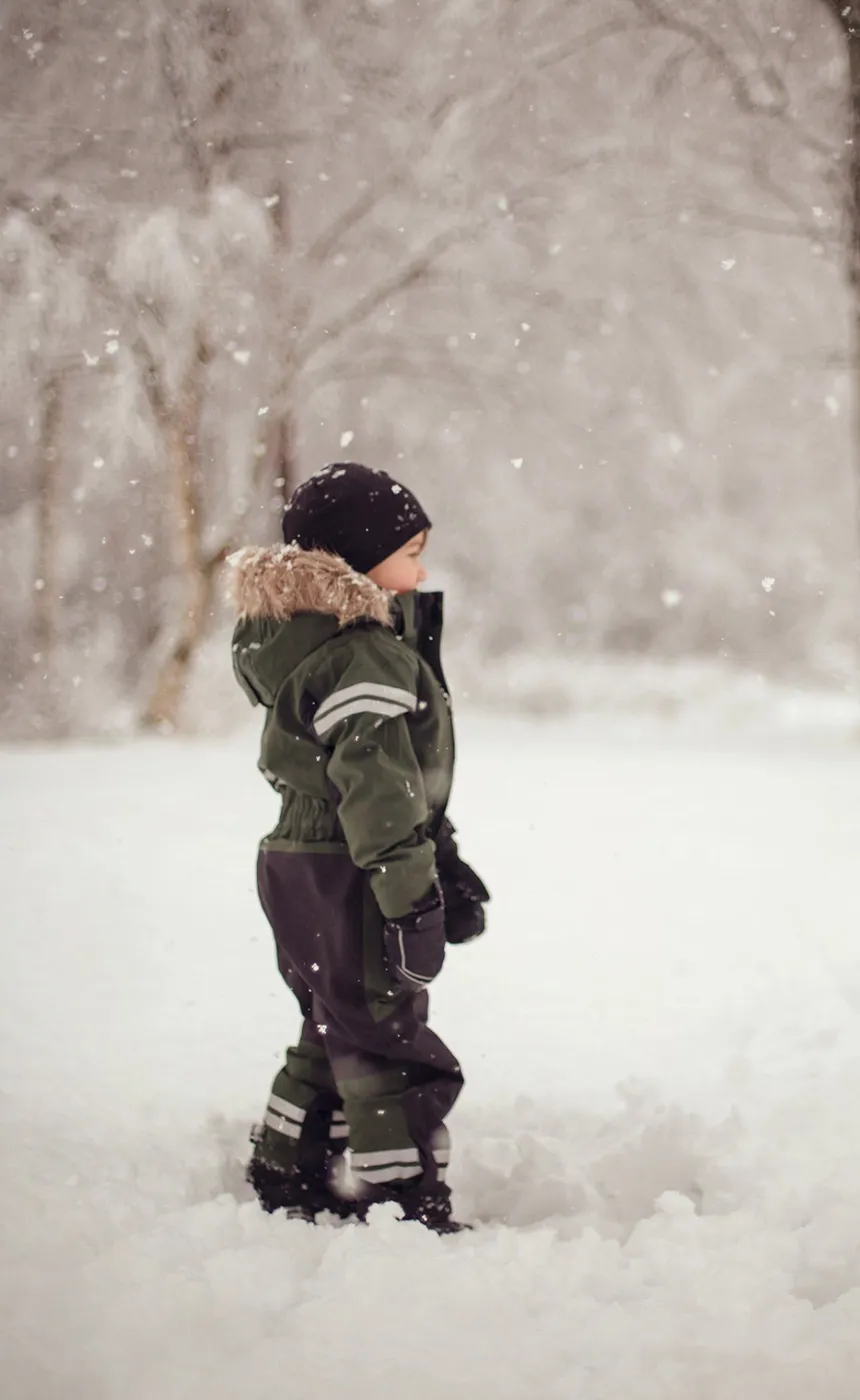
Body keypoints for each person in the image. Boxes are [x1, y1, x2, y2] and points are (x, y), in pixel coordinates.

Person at [227, 462, 489, 1232]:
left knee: (335, 1019)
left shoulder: (308, 640)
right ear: (359, 558)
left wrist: (440, 853)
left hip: (296, 862)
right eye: (411, 552)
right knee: (386, 1036)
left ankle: (289, 1163)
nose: (423, 570)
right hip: (353, 867)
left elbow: (381, 785)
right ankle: (402, 1199)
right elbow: (378, 789)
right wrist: (411, 897)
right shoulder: (364, 653)